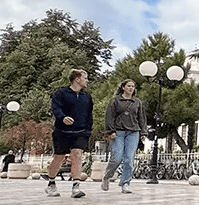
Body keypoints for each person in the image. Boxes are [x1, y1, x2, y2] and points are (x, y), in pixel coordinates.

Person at [45, 69, 94, 198]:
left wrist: (88, 129)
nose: (87, 80)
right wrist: (62, 117)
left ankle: (76, 187)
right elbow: (56, 108)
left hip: (81, 131)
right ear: (77, 79)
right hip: (62, 131)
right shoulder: (61, 93)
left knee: (77, 155)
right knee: (59, 157)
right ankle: (51, 182)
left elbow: (89, 115)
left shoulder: (87, 97)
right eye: (85, 77)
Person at [102, 79, 148, 194]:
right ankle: (107, 176)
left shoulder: (137, 102)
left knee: (129, 159)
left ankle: (125, 183)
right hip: (118, 132)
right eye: (128, 86)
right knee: (116, 157)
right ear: (123, 87)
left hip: (133, 132)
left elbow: (142, 118)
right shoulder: (116, 101)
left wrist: (143, 133)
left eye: (133, 86)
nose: (131, 88)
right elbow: (109, 116)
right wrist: (110, 131)